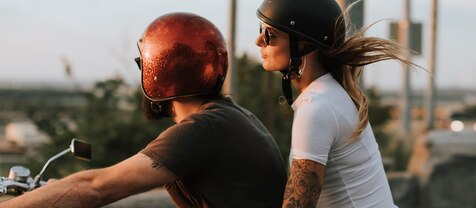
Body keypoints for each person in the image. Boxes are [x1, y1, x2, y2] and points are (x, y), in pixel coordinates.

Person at [2, 12, 287, 208]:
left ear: (157, 71)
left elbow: (97, 186)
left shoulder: (203, 130)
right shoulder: (232, 116)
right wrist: (54, 190)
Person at [255, 0, 419, 207]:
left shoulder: (317, 107)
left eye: (271, 35)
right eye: (262, 30)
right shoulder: (331, 94)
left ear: (304, 43)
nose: (259, 40)